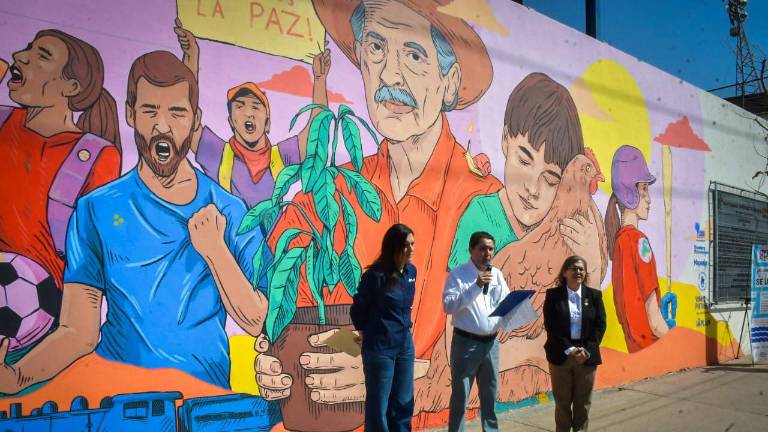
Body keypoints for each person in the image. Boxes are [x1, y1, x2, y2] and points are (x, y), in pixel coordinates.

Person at [256, 0, 500, 421]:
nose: (389, 75)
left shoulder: (487, 207)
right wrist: (276, 356)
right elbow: (283, 307)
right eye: (375, 48)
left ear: (449, 81)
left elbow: (506, 350)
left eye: (414, 54)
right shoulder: (327, 197)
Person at [0, 51, 269, 395]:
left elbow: (259, 321)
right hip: (116, 400)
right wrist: (18, 377)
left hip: (203, 401)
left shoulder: (230, 211)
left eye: (177, 112)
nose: (162, 126)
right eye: (149, 111)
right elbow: (78, 332)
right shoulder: (95, 208)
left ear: (195, 120)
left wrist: (216, 251)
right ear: (130, 114)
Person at [0, 29, 121, 290]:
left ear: (71, 87)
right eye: (27, 48)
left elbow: (95, 250)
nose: (18, 56)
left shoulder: (96, 156)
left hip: (41, 304)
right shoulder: (2, 123)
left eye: (41, 56)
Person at [173, 19, 332, 209]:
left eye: (256, 107)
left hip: (272, 239)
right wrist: (191, 58)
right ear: (231, 121)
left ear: (267, 123)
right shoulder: (219, 155)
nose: (248, 113)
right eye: (239, 106)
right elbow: (186, 121)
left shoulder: (281, 157)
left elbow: (316, 133)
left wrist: (320, 79)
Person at [443, 231, 513, 432]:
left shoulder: (497, 274)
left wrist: (514, 307)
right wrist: (476, 286)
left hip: (491, 343)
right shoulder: (458, 275)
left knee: (490, 396)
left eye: (490, 249)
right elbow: (448, 306)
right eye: (482, 248)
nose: (487, 253)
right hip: (466, 343)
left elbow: (504, 302)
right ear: (471, 249)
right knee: (460, 396)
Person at [350, 223, 416, 432]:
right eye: (406, 245)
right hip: (380, 348)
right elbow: (358, 309)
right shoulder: (375, 276)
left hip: (405, 344)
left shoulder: (411, 272)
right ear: (394, 247)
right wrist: (365, 334)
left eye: (413, 244)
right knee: (379, 407)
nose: (411, 249)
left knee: (404, 401)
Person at [604, 145, 668, 352]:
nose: (649, 199)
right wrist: (674, 347)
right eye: (644, 190)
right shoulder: (639, 242)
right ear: (630, 193)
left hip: (634, 349)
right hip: (651, 350)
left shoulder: (619, 243)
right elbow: (654, 319)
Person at [543, 256, 606, 432]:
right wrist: (571, 350)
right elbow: (551, 326)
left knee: (583, 405)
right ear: (564, 272)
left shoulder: (594, 296)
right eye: (573, 268)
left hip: (587, 357)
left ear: (585, 273)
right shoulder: (553, 296)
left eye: (581, 269)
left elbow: (600, 326)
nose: (578, 272)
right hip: (561, 356)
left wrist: (586, 350)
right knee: (562, 405)